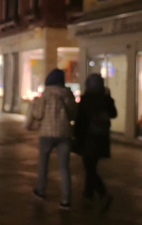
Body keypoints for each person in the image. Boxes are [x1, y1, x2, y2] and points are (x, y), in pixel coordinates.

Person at [30, 68, 77, 209]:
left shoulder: (45, 95)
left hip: (46, 134)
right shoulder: (68, 94)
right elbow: (74, 114)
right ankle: (66, 200)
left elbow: (38, 115)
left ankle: (41, 190)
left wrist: (35, 106)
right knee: (64, 167)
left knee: (43, 163)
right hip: (64, 134)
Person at [74, 73, 116, 212]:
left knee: (89, 168)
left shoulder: (86, 100)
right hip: (102, 138)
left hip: (89, 138)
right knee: (91, 166)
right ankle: (88, 194)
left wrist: (75, 136)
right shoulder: (105, 99)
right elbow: (114, 114)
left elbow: (80, 120)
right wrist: (108, 98)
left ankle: (103, 193)